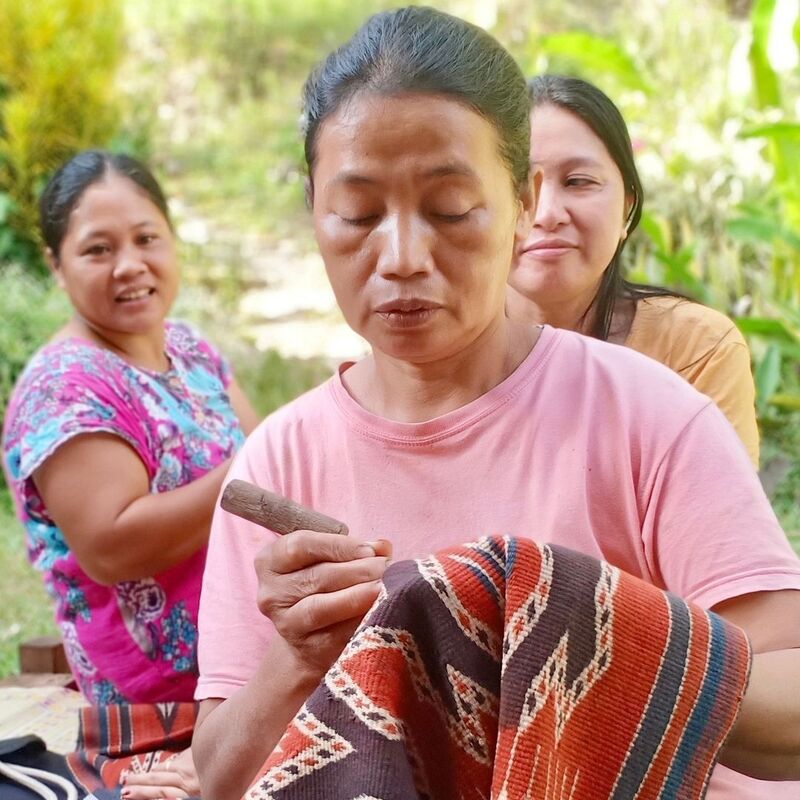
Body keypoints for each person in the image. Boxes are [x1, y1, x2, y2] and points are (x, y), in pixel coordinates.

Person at [188, 8, 800, 800]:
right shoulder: (283, 456)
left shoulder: (650, 418)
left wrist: (598, 634)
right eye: (358, 215)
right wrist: (300, 659)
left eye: (449, 211)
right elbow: (218, 772)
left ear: (522, 200)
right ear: (314, 208)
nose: (403, 258)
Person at [1, 150, 259, 706]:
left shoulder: (188, 347)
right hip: (163, 709)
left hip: (249, 662)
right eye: (98, 249)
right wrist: (249, 473)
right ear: (56, 264)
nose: (129, 265)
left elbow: (270, 468)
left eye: (147, 239)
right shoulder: (64, 388)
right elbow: (114, 547)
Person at [507, 74, 760, 467]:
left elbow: (719, 522)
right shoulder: (436, 348)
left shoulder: (695, 350)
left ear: (627, 207)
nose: (547, 214)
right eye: (522, 186)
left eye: (578, 181)